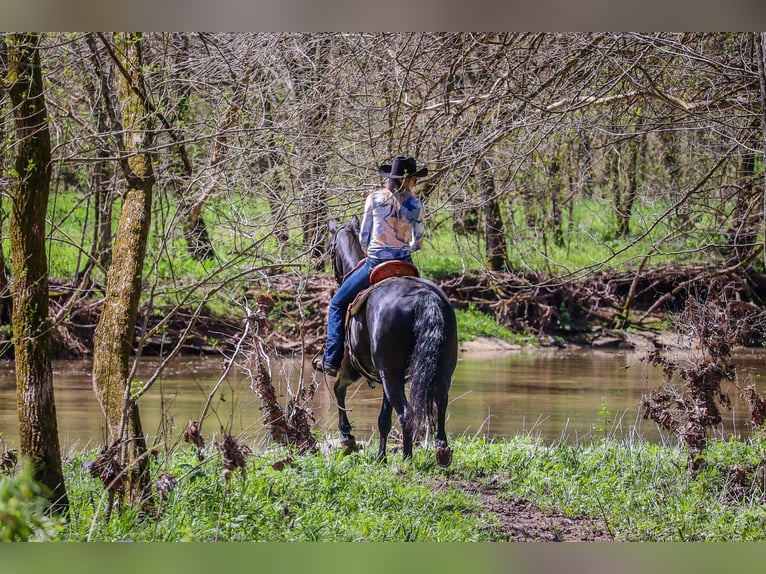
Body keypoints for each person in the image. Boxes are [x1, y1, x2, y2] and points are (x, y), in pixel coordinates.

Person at [313, 155, 428, 376]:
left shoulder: (375, 198)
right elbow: (418, 242)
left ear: (390, 178)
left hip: (376, 264)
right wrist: (404, 247)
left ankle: (331, 360)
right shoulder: (416, 204)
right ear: (412, 179)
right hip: (405, 265)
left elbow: (364, 237)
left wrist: (375, 248)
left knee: (337, 303)